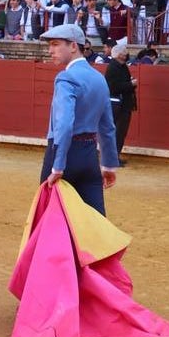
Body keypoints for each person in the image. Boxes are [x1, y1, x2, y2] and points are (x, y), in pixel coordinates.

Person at [39, 23, 120, 215]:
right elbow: (107, 127)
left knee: (49, 222)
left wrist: (58, 166)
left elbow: (65, 125)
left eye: (56, 44)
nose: (50, 50)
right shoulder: (99, 78)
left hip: (63, 155)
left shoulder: (65, 78)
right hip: (89, 157)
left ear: (73, 46)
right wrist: (108, 165)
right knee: (95, 223)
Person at [104, 42, 138, 164]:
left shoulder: (120, 66)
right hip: (118, 105)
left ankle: (114, 157)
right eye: (124, 54)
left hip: (122, 104)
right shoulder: (114, 68)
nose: (126, 55)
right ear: (119, 55)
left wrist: (129, 83)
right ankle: (112, 158)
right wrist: (131, 84)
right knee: (118, 131)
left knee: (120, 132)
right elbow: (113, 88)